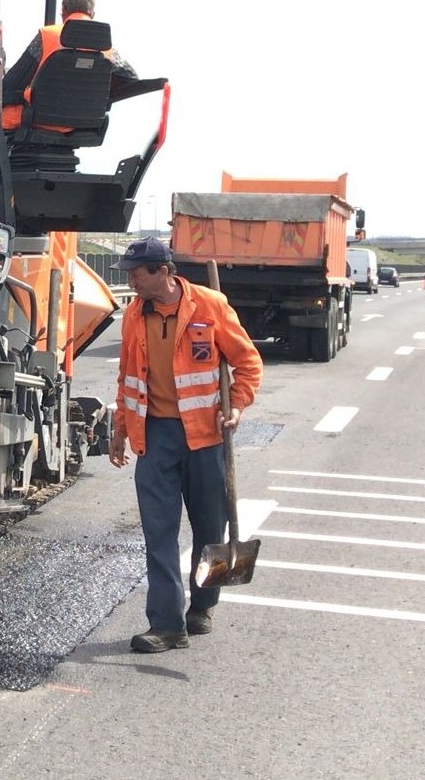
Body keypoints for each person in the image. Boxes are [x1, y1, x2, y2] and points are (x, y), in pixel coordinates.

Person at [107, 238, 263, 653]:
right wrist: (120, 430)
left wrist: (237, 406)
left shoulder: (210, 306)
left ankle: (203, 606)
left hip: (205, 437)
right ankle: (166, 624)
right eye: (129, 274)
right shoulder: (134, 314)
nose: (132, 281)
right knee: (158, 533)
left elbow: (248, 363)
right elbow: (127, 377)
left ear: (163, 271)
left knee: (210, 527)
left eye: (137, 274)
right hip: (154, 436)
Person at [0, 0, 138, 132]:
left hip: (38, 120)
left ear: (64, 11)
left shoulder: (47, 36)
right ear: (92, 14)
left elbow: (12, 82)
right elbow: (131, 79)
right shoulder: (106, 49)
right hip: (83, 125)